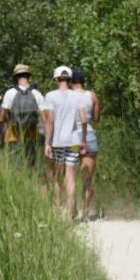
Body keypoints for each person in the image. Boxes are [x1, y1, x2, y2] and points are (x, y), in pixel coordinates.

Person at [43, 65, 87, 219]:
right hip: (74, 141)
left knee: (57, 177)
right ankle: (70, 214)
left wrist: (47, 143)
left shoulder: (50, 96)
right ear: (70, 79)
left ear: (56, 78)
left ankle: (56, 211)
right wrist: (83, 141)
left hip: (57, 142)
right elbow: (83, 120)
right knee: (71, 177)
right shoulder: (77, 96)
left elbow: (49, 121)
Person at [70, 68, 101, 220]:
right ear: (83, 81)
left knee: (71, 176)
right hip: (89, 136)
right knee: (87, 178)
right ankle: (85, 213)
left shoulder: (67, 96)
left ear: (70, 82)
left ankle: (72, 208)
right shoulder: (92, 95)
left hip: (72, 138)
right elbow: (96, 118)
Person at [1, 64, 45, 167]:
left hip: (13, 135)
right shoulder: (36, 93)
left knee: (16, 164)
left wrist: (0, 131)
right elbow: (45, 118)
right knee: (30, 163)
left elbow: (1, 117)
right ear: (28, 76)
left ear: (16, 77)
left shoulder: (9, 93)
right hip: (32, 134)